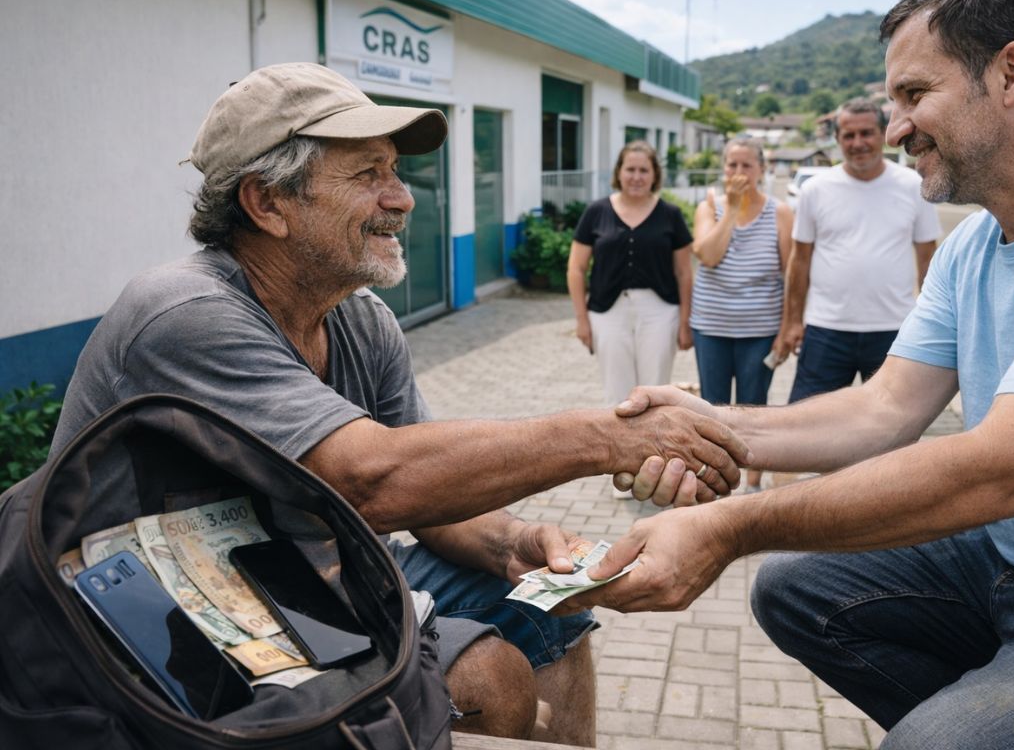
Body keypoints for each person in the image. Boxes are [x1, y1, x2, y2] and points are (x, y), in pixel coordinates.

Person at [575, 0, 1014, 748]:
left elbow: (1003, 469)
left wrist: (731, 524)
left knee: (938, 741)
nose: (896, 126)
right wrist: (703, 422)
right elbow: (884, 408)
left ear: (1012, 73)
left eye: (913, 95)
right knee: (797, 590)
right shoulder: (975, 243)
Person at [48, 63, 751, 745]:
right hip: (169, 620)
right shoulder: (184, 312)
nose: (402, 197)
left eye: (393, 170)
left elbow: (428, 492)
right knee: (490, 676)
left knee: (553, 606)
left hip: (312, 574)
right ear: (267, 203)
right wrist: (606, 438)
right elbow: (370, 481)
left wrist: (514, 543)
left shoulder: (360, 319)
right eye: (367, 175)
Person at [783, 98, 939, 403]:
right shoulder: (815, 190)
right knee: (807, 422)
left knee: (893, 428)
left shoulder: (913, 186)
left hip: (893, 329)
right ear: (837, 139)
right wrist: (792, 322)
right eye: (848, 135)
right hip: (826, 328)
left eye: (866, 133)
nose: (858, 143)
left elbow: (928, 261)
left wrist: (930, 326)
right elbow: (799, 261)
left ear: (882, 134)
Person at [567, 140, 695, 497]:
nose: (636, 176)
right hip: (608, 312)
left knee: (655, 392)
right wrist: (581, 319)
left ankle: (655, 471)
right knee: (617, 394)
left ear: (654, 175)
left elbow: (685, 273)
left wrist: (686, 322)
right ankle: (622, 471)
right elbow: (576, 269)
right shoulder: (596, 212)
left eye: (644, 170)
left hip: (659, 312)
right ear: (619, 173)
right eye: (630, 169)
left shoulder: (670, 214)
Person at [689, 138, 793, 491]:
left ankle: (752, 481)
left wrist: (787, 328)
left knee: (753, 409)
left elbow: (789, 274)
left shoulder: (779, 212)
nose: (738, 173)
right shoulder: (709, 207)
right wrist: (731, 211)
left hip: (760, 330)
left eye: (746, 165)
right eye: (732, 165)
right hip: (712, 327)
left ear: (761, 170)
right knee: (712, 407)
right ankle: (714, 478)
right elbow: (707, 254)